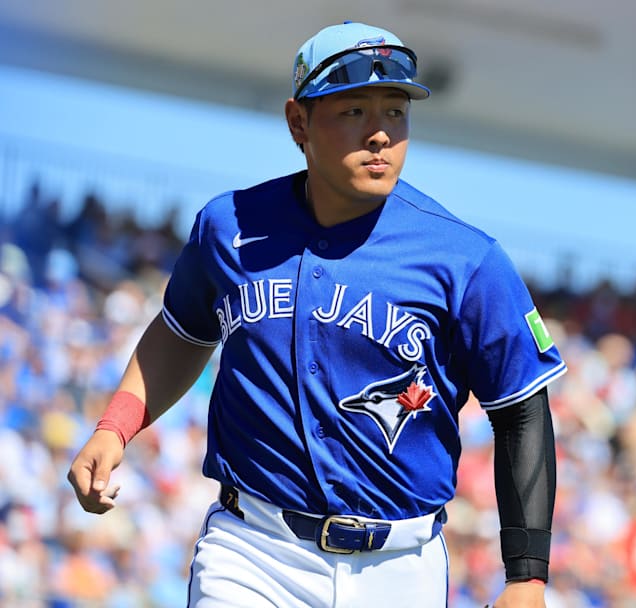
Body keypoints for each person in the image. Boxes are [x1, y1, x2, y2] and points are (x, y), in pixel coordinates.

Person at [67, 20, 565, 607]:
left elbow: (521, 413)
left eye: (395, 110)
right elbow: (181, 332)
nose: (380, 134)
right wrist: (116, 424)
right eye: (354, 111)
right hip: (253, 549)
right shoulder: (229, 227)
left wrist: (526, 577)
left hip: (399, 566)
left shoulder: (467, 258)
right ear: (298, 122)